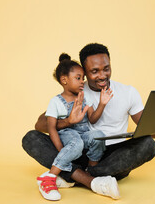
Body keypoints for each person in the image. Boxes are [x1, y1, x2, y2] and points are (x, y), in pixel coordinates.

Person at [22, 43, 155, 199]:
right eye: (94, 71)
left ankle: (72, 175)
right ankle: (91, 181)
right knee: (31, 138)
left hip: (113, 157)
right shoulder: (76, 89)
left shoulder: (128, 92)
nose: (102, 75)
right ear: (84, 72)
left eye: (106, 69)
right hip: (79, 151)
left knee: (148, 144)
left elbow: (149, 130)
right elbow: (40, 125)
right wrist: (68, 121)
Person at [37, 53, 118, 201]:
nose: (82, 82)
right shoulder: (55, 102)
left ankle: (90, 170)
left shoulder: (83, 97)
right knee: (76, 142)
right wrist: (61, 151)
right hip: (67, 134)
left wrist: (102, 104)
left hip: (83, 133)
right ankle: (50, 177)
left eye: (83, 78)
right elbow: (52, 128)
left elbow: (93, 119)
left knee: (98, 135)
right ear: (64, 80)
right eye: (78, 78)